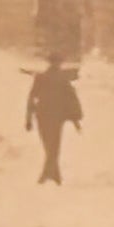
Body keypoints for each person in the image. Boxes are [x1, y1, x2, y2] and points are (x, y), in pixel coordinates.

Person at [25, 55, 84, 186]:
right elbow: (71, 100)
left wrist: (28, 118)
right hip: (56, 118)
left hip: (43, 116)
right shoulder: (62, 79)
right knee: (53, 146)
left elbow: (32, 98)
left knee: (48, 145)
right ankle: (53, 174)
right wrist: (76, 119)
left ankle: (49, 174)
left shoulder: (41, 78)